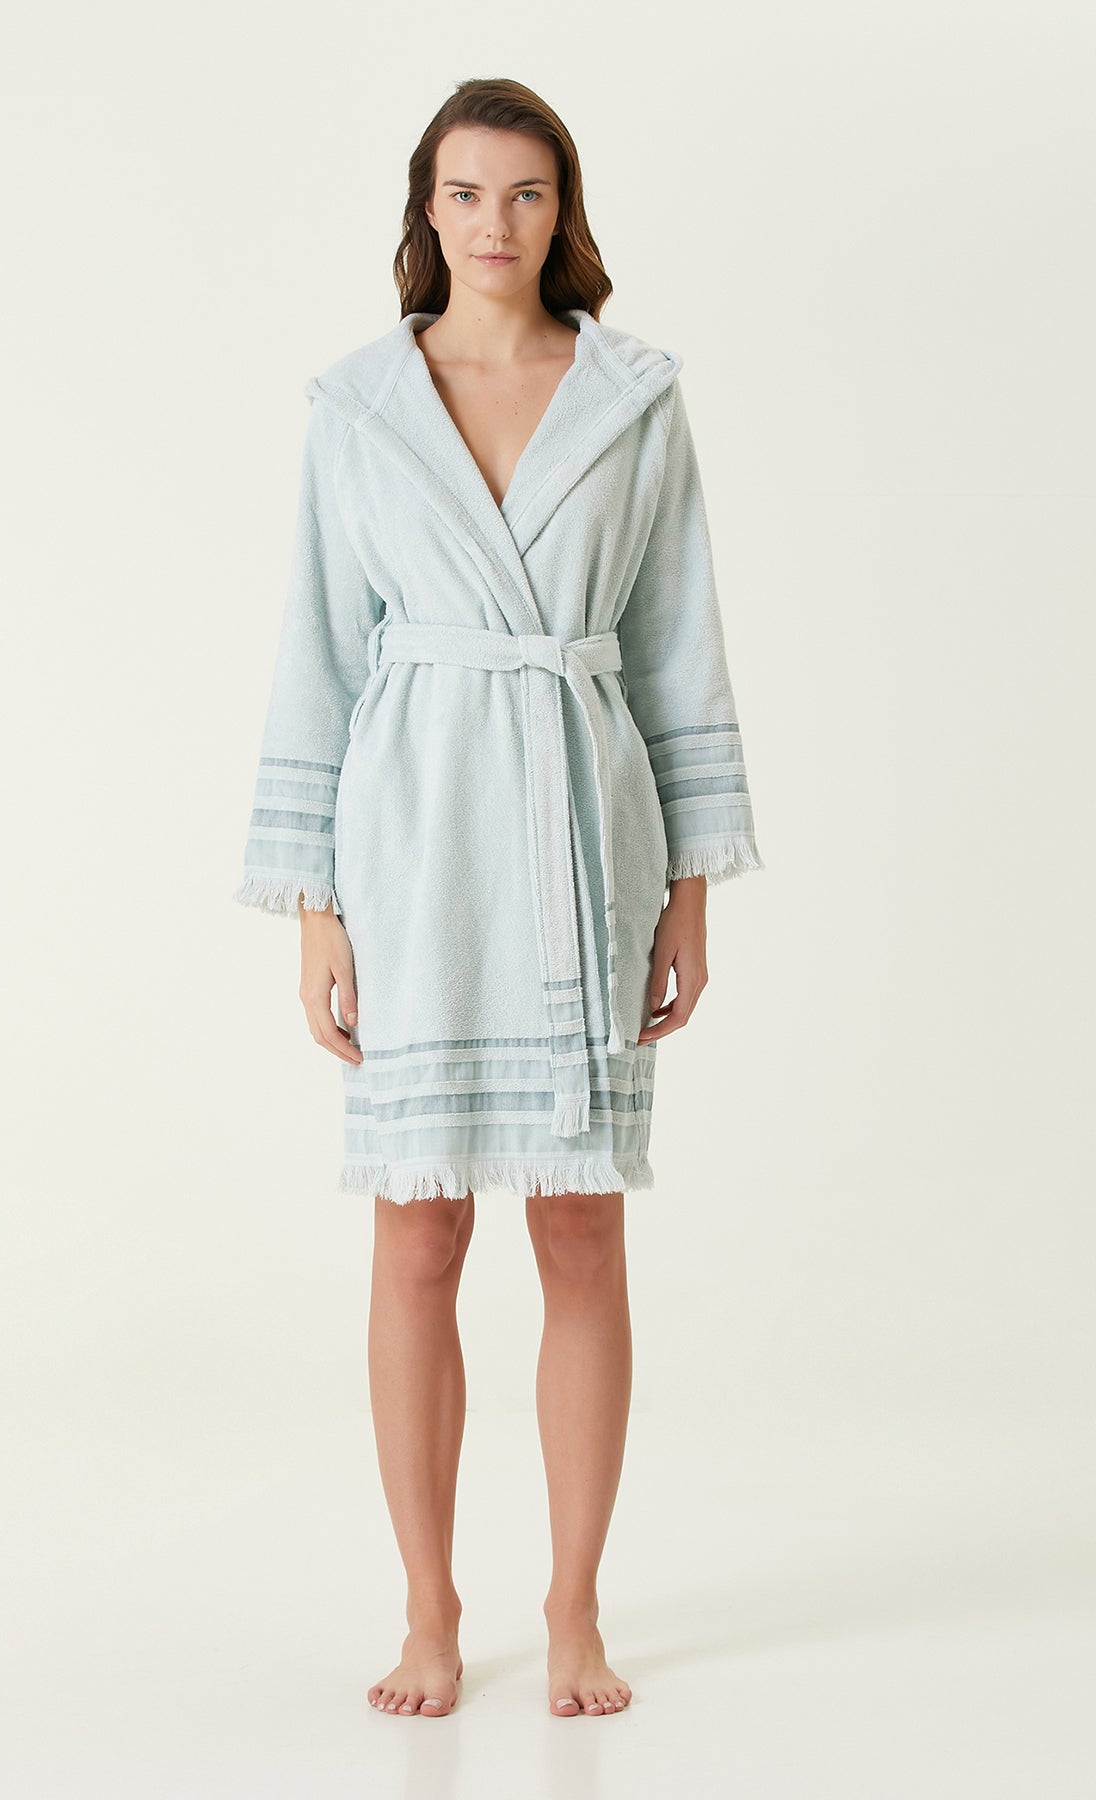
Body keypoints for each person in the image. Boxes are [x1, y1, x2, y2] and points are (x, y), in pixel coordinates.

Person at [234, 78, 763, 1719]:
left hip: (583, 832)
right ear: (426, 210)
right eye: (465, 194)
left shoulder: (632, 399)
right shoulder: (359, 408)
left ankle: (576, 1609)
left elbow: (676, 641)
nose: (495, 224)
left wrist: (690, 888)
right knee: (418, 1233)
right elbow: (318, 652)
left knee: (582, 1225)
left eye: (526, 194)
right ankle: (429, 1614)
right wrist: (318, 906)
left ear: (562, 211)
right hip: (413, 839)